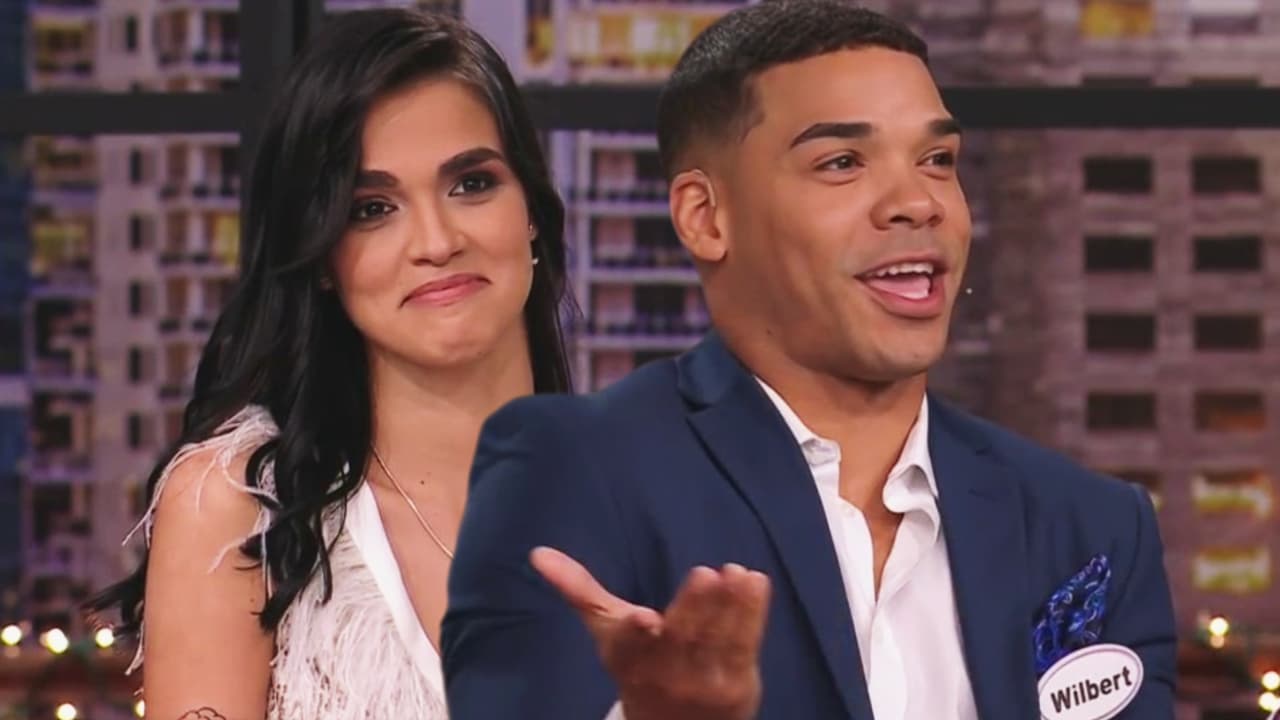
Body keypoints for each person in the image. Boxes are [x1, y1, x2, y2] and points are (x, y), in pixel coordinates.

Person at [441, 3, 1177, 719]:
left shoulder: (1091, 529)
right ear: (705, 216)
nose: (918, 203)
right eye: (843, 162)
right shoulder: (573, 473)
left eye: (937, 160)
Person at [87, 8, 574, 720]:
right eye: (372, 208)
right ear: (320, 256)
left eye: (471, 184)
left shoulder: (639, 486)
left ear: (530, 208)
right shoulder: (239, 506)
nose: (436, 241)